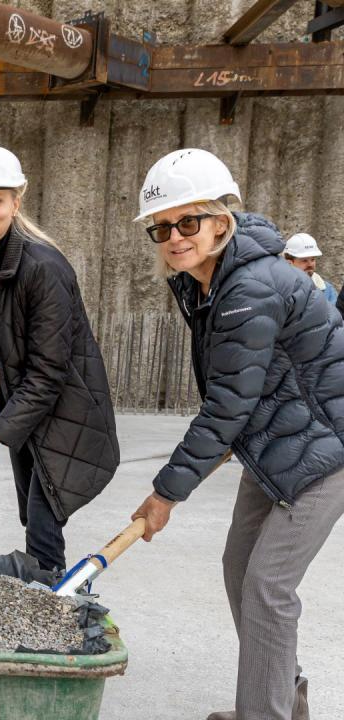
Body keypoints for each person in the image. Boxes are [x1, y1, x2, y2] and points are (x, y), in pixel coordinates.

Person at [130, 148, 344, 720]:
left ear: (221, 222)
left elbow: (226, 405)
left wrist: (166, 493)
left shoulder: (249, 288)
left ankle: (265, 714)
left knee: (269, 589)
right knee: (239, 569)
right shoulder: (205, 281)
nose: (175, 236)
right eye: (163, 227)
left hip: (326, 451)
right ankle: (282, 697)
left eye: (188, 221)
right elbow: (242, 390)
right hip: (278, 444)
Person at [0, 143, 120, 572]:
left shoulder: (43, 267)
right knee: (37, 517)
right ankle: (47, 599)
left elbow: (48, 373)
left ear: (16, 200)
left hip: (67, 414)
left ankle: (51, 613)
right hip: (30, 411)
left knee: (44, 529)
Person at [283, 232, 337, 306]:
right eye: (304, 260)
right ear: (289, 262)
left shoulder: (327, 289)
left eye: (313, 259)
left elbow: (335, 316)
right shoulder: (279, 290)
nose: (310, 264)